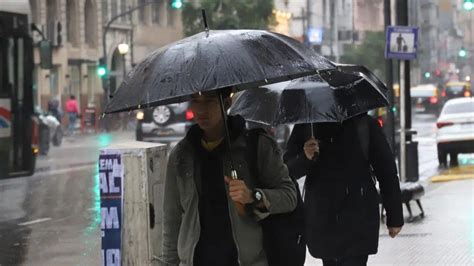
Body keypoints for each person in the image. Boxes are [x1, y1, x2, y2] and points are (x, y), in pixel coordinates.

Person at [160, 89, 297, 266]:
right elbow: (172, 220)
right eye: (195, 101)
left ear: (226, 103)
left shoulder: (256, 146)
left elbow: (289, 196)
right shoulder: (181, 155)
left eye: (209, 101)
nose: (201, 110)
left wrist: (253, 196)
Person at [284, 114, 404, 266]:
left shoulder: (365, 125)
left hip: (358, 220)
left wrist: (395, 217)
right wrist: (305, 157)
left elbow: (386, 171)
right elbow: (287, 171)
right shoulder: (308, 126)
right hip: (323, 221)